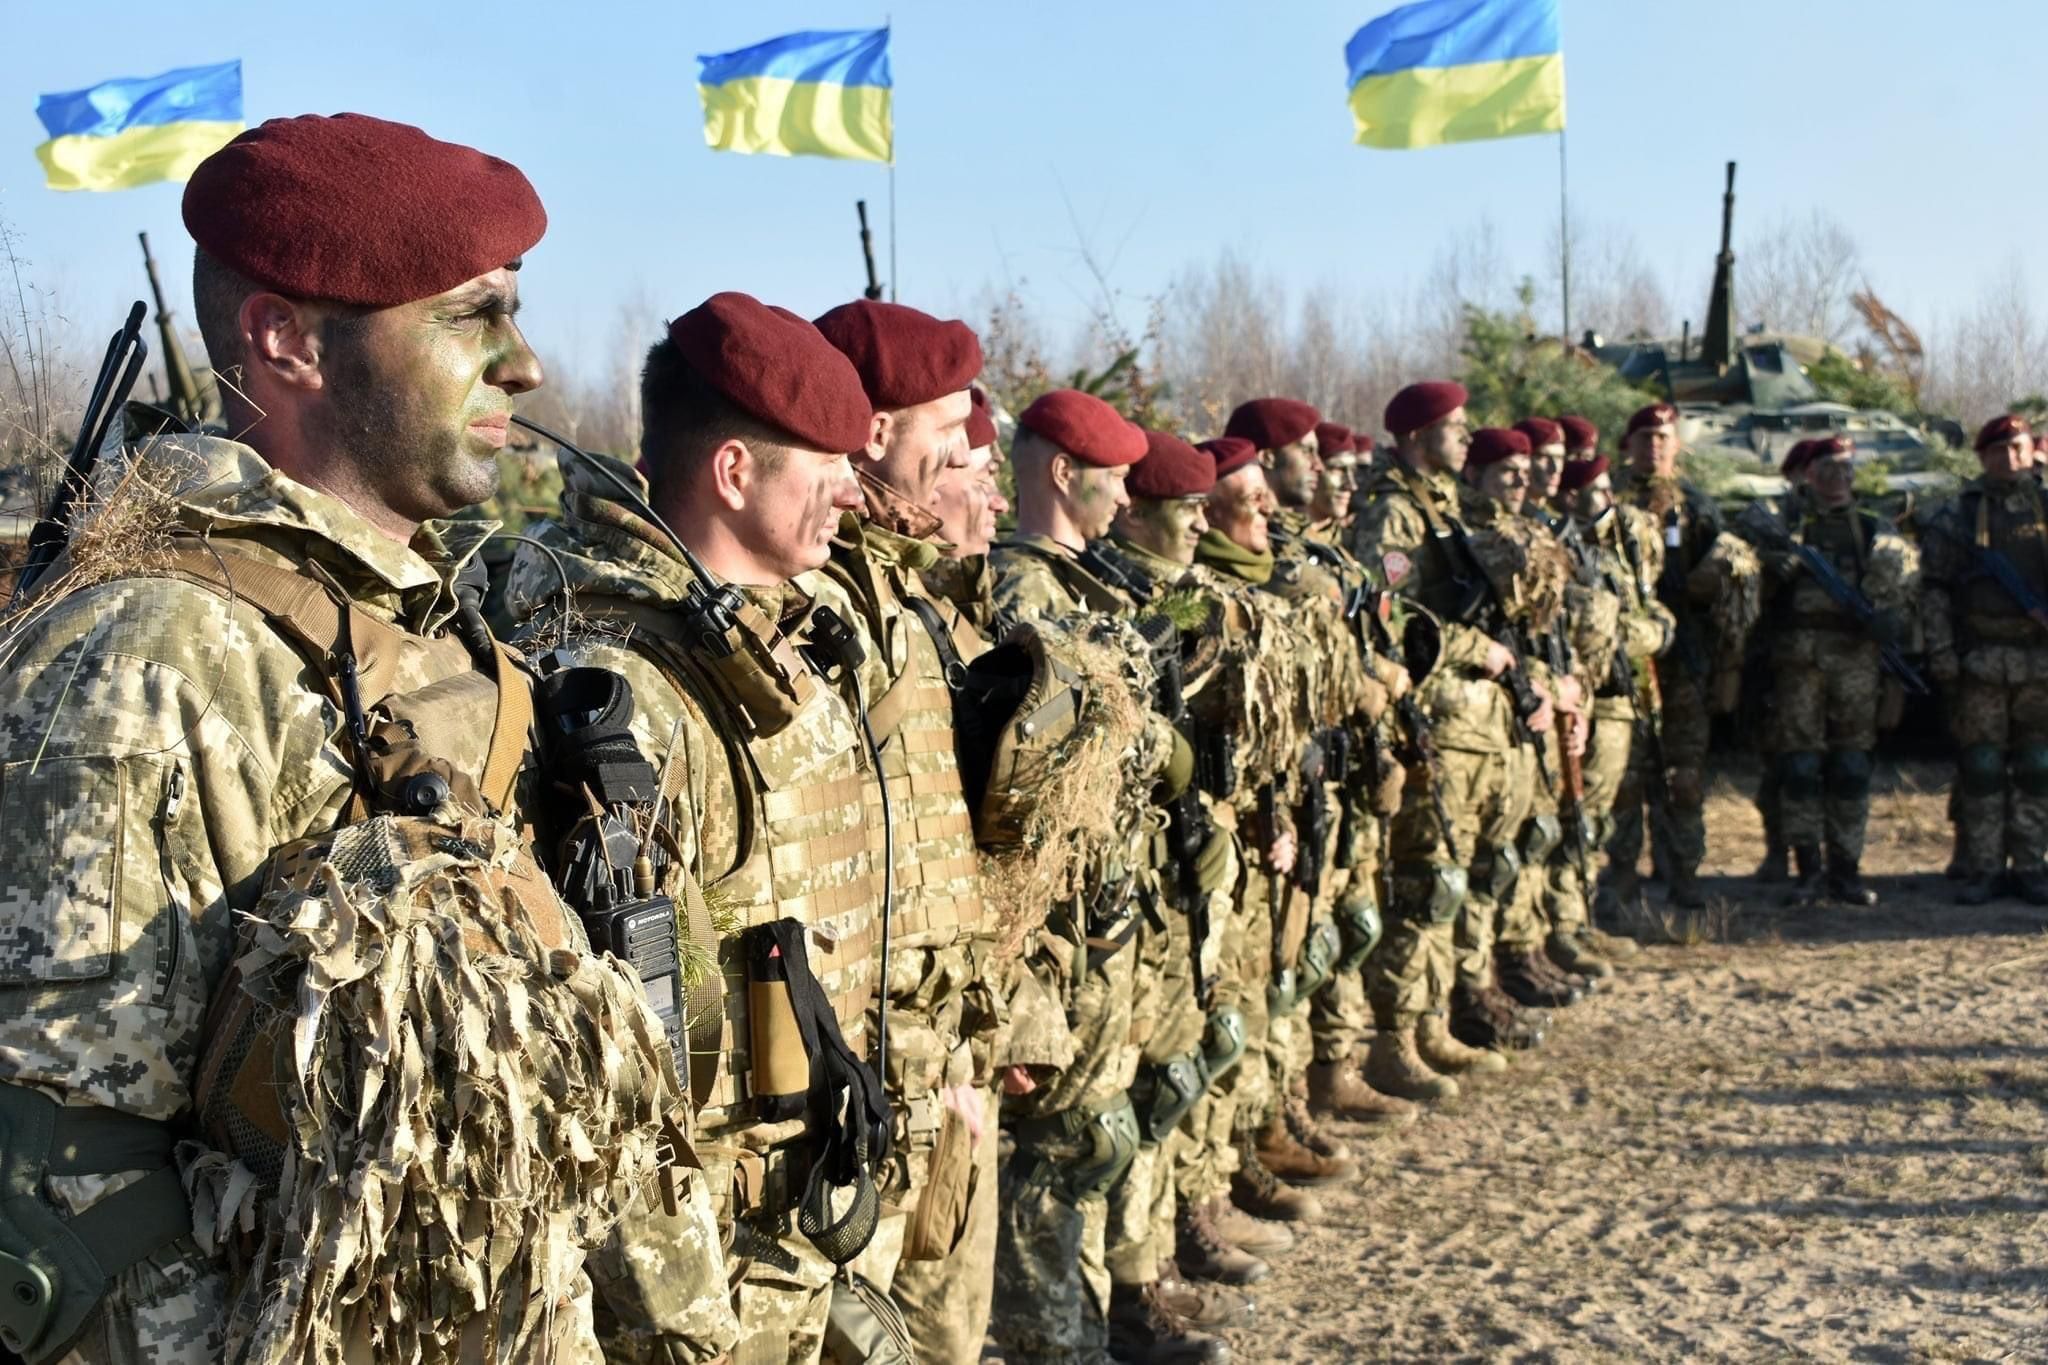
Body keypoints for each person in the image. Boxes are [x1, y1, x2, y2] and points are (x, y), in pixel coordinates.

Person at [0, 112, 727, 1365]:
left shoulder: (434, 625)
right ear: (288, 343)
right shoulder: (155, 654)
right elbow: (64, 1172)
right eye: (470, 315)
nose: (525, 365)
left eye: (515, 310)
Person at [499, 292, 891, 1363]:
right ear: (732, 473)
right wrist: (686, 1324)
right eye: (825, 466)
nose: (854, 495)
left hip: (794, 1215)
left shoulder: (772, 651)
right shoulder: (630, 690)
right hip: (702, 1270)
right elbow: (621, 1050)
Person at [987, 391, 1232, 1364]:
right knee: (1066, 1148)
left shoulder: (1087, 585)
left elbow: (1169, 642)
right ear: (1062, 475)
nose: (1129, 496)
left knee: (1109, 1127)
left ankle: (1108, 1316)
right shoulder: (1014, 593)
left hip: (1112, 909)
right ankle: (1066, 1342)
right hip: (1048, 925)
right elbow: (1030, 774)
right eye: (1116, 478)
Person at [809, 298, 1009, 1363]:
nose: (962, 462)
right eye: (946, 434)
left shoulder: (904, 608)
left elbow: (935, 853)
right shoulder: (825, 608)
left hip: (929, 1057)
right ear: (876, 432)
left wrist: (970, 1041)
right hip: (861, 1078)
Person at [1345, 382, 1535, 1096]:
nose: (1466, 438)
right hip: (1441, 722)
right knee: (1426, 884)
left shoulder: (1444, 506)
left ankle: (1429, 1025)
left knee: (1451, 885)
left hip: (1475, 725)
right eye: (1454, 428)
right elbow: (1390, 612)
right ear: (1419, 437)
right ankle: (1394, 1040)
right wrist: (1468, 646)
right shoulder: (1394, 514)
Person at [1735, 435, 1919, 906]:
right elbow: (1747, 571)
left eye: (1846, 471)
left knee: (1852, 765)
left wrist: (1888, 616)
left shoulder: (1872, 526)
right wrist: (1777, 564)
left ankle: (1847, 869)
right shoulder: (1788, 522)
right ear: (1809, 475)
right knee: (1800, 766)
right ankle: (1807, 870)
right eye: (1827, 471)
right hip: (1798, 659)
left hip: (1854, 657)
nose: (1838, 481)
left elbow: (1901, 583)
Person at [1610, 402, 1745, 911]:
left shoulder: (1696, 505)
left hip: (1683, 657)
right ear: (1628, 445)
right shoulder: (1608, 500)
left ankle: (1682, 872)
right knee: (1626, 776)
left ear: (1678, 445)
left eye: (1665, 437)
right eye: (1645, 436)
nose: (1656, 445)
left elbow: (1728, 576)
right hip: (1625, 659)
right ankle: (1621, 876)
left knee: (1683, 774)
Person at [1918, 413, 2048, 906]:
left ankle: (2033, 866)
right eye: (1999, 451)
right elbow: (1934, 592)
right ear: (1983, 457)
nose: (2010, 459)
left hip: (2040, 662)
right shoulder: (1958, 516)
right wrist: (1944, 654)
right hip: (1981, 662)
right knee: (1983, 767)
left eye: (2018, 448)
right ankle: (1985, 866)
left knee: (2038, 766)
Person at [1562, 455, 1672, 952]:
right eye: (1596, 489)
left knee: (1604, 814)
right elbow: (1601, 629)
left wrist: (1656, 627)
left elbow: (1643, 607)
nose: (1608, 498)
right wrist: (1650, 633)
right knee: (1581, 816)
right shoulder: (1565, 550)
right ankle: (1574, 922)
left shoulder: (1614, 554)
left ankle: (1587, 916)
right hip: (1594, 701)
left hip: (1622, 700)